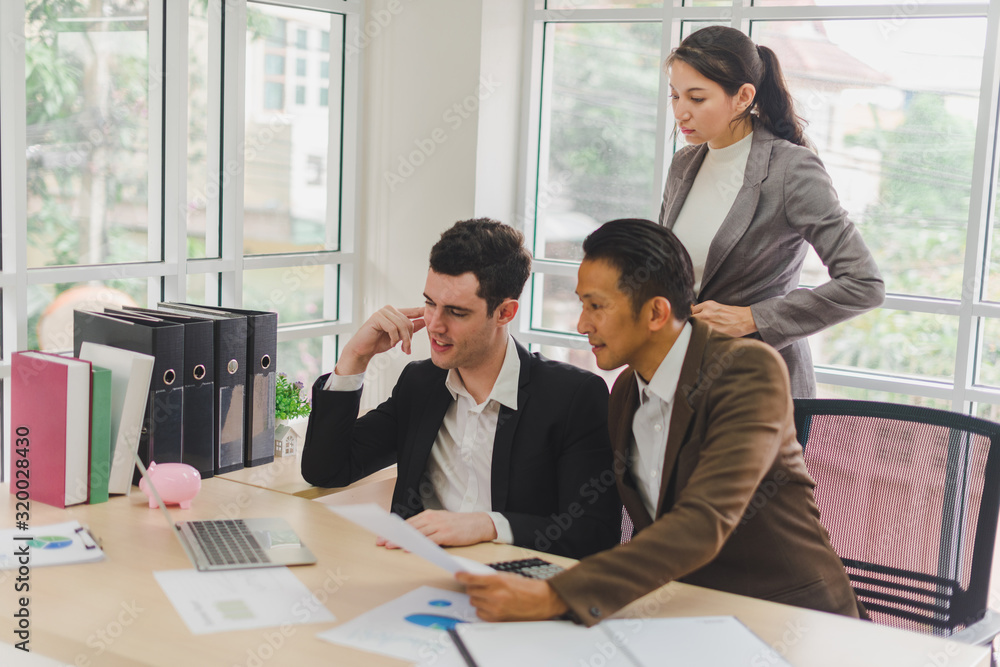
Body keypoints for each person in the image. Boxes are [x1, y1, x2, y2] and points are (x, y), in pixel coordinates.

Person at [458, 219, 862, 623]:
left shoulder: (746, 372)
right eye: (582, 304)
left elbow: (703, 521)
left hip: (787, 616)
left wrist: (557, 595)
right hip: (688, 614)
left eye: (596, 306)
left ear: (655, 313)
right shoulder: (625, 393)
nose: (582, 324)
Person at [300, 218, 621, 559]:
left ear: (504, 313)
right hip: (413, 573)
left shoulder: (573, 397)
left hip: (513, 585)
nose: (435, 326)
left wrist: (489, 525)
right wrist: (355, 357)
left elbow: (594, 534)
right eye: (430, 304)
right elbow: (327, 469)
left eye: (456, 312)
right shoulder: (420, 385)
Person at [661, 25, 884, 397]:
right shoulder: (684, 164)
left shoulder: (791, 170)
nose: (680, 111)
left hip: (758, 387)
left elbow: (864, 285)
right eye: (674, 96)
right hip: (684, 379)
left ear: (743, 96)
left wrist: (752, 317)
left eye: (697, 98)